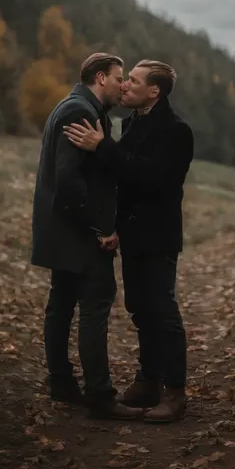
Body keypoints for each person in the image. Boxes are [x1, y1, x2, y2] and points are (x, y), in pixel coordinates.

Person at [63, 60, 194, 423]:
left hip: (158, 235)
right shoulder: (130, 122)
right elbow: (126, 184)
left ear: (154, 91)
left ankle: (176, 393)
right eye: (126, 80)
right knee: (139, 309)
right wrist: (114, 225)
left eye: (133, 81)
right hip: (133, 234)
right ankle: (149, 381)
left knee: (162, 311)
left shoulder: (177, 130)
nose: (125, 87)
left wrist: (103, 147)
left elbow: (153, 179)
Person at [31, 52, 142, 420]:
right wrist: (100, 228)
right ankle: (99, 395)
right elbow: (69, 180)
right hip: (79, 234)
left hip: (64, 230)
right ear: (99, 77)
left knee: (61, 304)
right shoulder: (81, 111)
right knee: (94, 305)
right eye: (118, 77)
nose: (123, 84)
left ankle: (62, 383)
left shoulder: (74, 105)